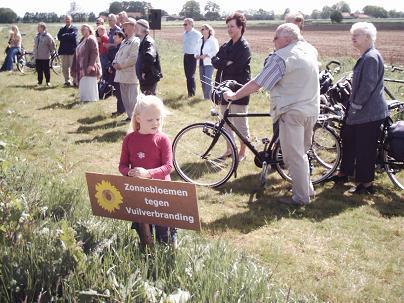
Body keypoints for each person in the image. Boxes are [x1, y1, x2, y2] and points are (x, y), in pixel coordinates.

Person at [224, 23, 320, 206]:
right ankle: (307, 190)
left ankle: (301, 198)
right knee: (302, 153)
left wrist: (234, 95)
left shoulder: (282, 57)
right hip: (311, 110)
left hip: (292, 111)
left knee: (293, 156)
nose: (273, 41)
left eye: (275, 38)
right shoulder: (309, 49)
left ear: (287, 39)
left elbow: (258, 83)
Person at [328, 22, 389, 194]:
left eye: (357, 34)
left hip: (368, 113)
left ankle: (366, 184)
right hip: (359, 112)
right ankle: (344, 173)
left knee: (365, 148)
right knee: (348, 138)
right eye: (352, 34)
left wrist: (355, 105)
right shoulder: (366, 55)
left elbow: (367, 86)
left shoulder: (370, 57)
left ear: (368, 37)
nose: (353, 37)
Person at [119, 94, 176, 249]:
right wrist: (130, 173)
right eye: (150, 120)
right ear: (138, 119)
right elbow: (122, 166)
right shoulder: (129, 139)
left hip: (161, 193)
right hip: (139, 192)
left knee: (164, 233)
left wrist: (148, 173)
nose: (155, 123)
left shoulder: (163, 139)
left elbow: (168, 167)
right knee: (144, 232)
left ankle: (169, 251)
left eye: (158, 119)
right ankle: (147, 255)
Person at [211, 12, 251, 162]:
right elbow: (215, 60)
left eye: (232, 26)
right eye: (228, 27)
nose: (229, 29)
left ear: (240, 27)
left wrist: (225, 63)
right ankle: (229, 149)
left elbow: (237, 68)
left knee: (241, 123)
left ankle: (242, 152)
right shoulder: (226, 45)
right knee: (225, 121)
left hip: (239, 89)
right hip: (223, 88)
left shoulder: (244, 47)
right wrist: (226, 62)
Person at [113, 17, 140, 121]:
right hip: (121, 74)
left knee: (133, 99)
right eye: (124, 26)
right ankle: (130, 116)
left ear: (133, 27)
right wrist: (114, 62)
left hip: (130, 74)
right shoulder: (125, 41)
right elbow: (118, 54)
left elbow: (133, 58)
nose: (124, 28)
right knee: (125, 99)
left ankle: (137, 118)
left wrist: (121, 65)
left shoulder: (135, 41)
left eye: (127, 25)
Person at [71, 24, 102, 101]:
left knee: (89, 83)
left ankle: (91, 99)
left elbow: (94, 53)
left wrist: (91, 65)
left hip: (89, 65)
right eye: (82, 30)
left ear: (89, 30)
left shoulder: (91, 39)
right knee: (84, 83)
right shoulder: (83, 39)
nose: (83, 31)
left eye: (85, 29)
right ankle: (84, 99)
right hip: (81, 66)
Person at [135, 19, 163, 95]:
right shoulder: (143, 40)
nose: (135, 29)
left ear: (141, 28)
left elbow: (149, 57)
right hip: (146, 77)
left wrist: (144, 71)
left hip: (149, 77)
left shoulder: (148, 41)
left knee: (149, 101)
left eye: (136, 27)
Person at [194, 23, 219, 100]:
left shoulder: (213, 40)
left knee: (208, 79)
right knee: (202, 80)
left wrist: (206, 55)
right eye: (201, 29)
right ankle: (205, 96)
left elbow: (216, 51)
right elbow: (195, 50)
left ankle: (208, 97)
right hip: (201, 63)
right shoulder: (199, 40)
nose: (202, 30)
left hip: (209, 63)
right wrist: (196, 55)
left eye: (204, 29)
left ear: (209, 30)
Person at [182, 18, 202, 97]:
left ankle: (192, 94)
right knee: (187, 75)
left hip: (193, 56)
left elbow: (201, 45)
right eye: (184, 24)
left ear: (191, 24)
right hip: (186, 55)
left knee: (191, 75)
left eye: (186, 24)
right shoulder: (184, 34)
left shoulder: (197, 34)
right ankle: (189, 92)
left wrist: (198, 55)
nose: (184, 26)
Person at [108, 30, 125, 117]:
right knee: (118, 91)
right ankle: (120, 109)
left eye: (116, 36)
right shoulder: (118, 46)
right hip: (115, 71)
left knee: (119, 92)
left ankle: (121, 110)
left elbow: (119, 59)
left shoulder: (121, 47)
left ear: (121, 38)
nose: (114, 38)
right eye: (114, 36)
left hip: (120, 72)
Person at [57, 15, 78, 86]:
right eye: (66, 20)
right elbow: (59, 37)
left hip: (72, 51)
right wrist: (68, 36)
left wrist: (64, 36)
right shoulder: (61, 29)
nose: (67, 21)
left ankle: (75, 81)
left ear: (71, 20)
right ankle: (67, 81)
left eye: (68, 19)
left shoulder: (74, 28)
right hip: (63, 51)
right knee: (65, 67)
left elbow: (73, 36)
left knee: (73, 67)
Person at [33, 22, 56, 86]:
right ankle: (39, 82)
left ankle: (48, 82)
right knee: (39, 70)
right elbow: (35, 45)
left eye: (38, 27)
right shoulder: (37, 36)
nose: (37, 28)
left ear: (43, 28)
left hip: (45, 56)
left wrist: (52, 52)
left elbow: (52, 44)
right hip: (37, 56)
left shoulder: (48, 36)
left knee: (46, 70)